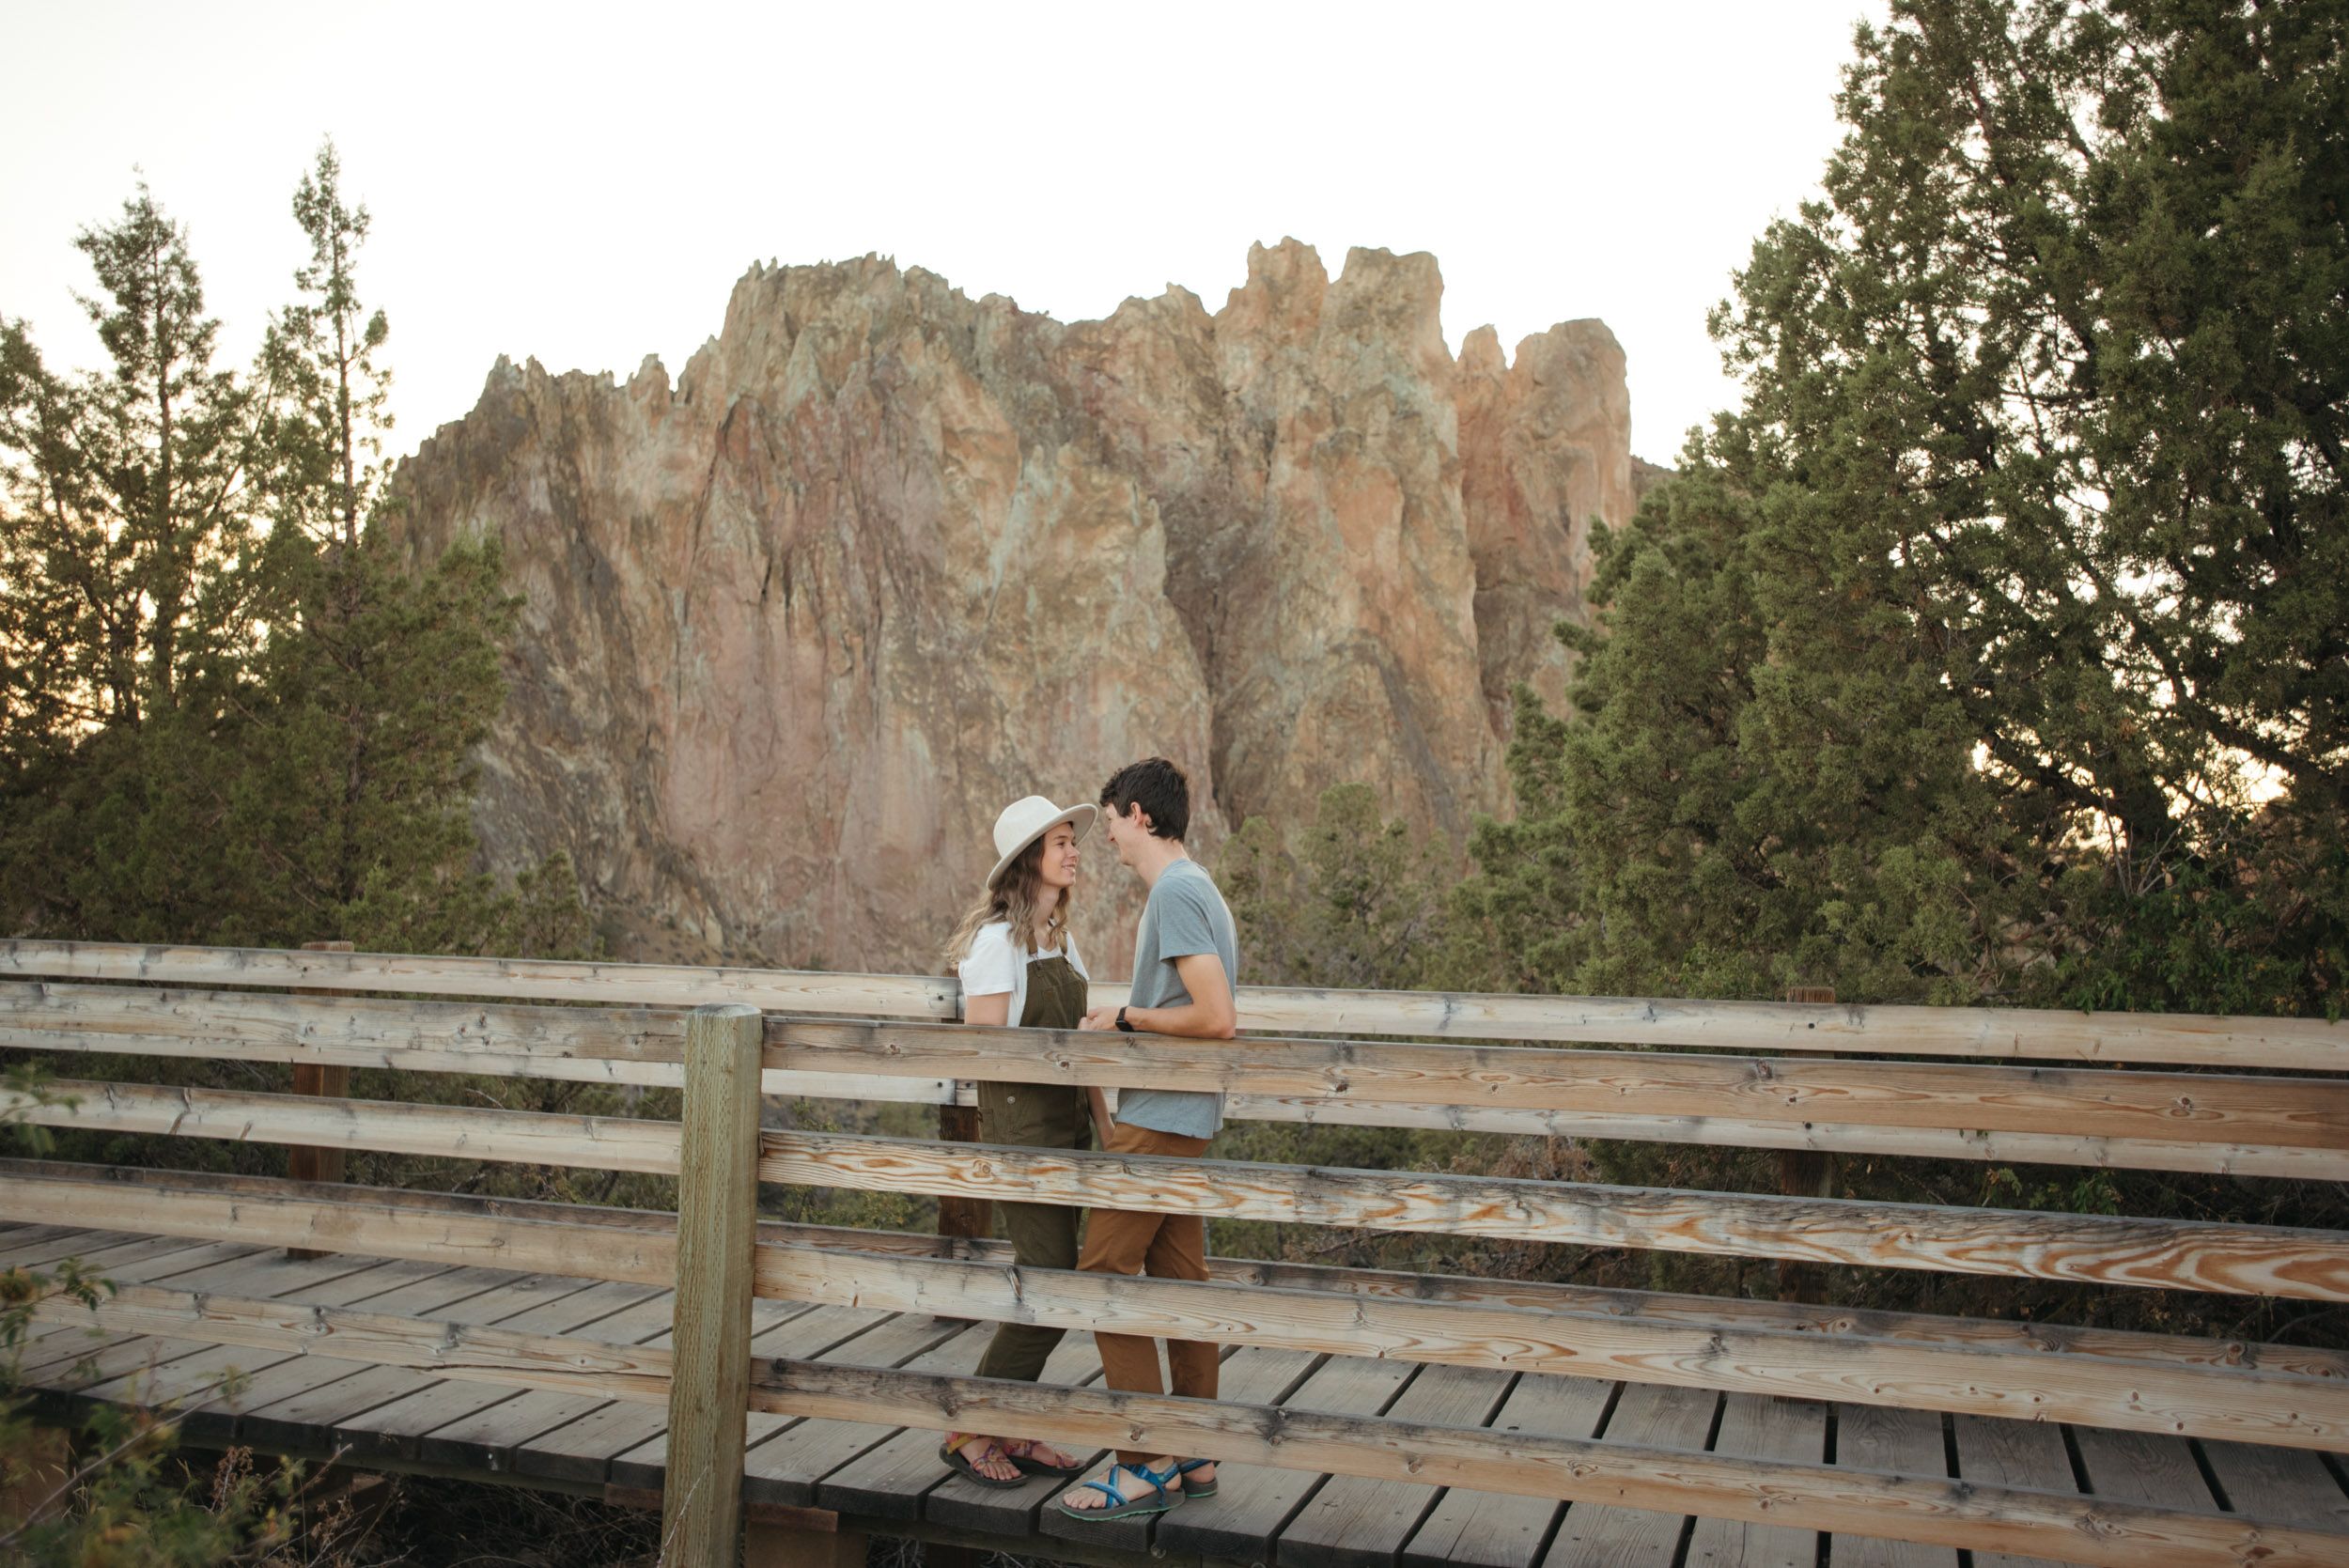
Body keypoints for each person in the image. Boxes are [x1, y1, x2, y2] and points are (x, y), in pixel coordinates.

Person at [1057, 756, 1239, 1523]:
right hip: (1185, 1117)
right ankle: (1193, 1451)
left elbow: (1216, 1015)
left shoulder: (1177, 892)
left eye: (1108, 825)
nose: (1107, 840)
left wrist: (1128, 1017)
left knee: (1102, 1272)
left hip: (1161, 1117)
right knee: (1179, 1280)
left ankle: (1143, 1460)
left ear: (1138, 813)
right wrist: (1125, 1014)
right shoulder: (1200, 890)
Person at [937, 794, 1099, 1489]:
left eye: (1072, 840)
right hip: (1024, 1135)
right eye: (1059, 842)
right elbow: (984, 1055)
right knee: (1053, 1274)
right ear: (1028, 859)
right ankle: (970, 1426)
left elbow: (1088, 1044)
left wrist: (1110, 1128)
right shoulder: (996, 942)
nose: (1073, 851)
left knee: (1064, 1278)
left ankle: (1010, 1418)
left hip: (1074, 1131)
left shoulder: (1062, 940)